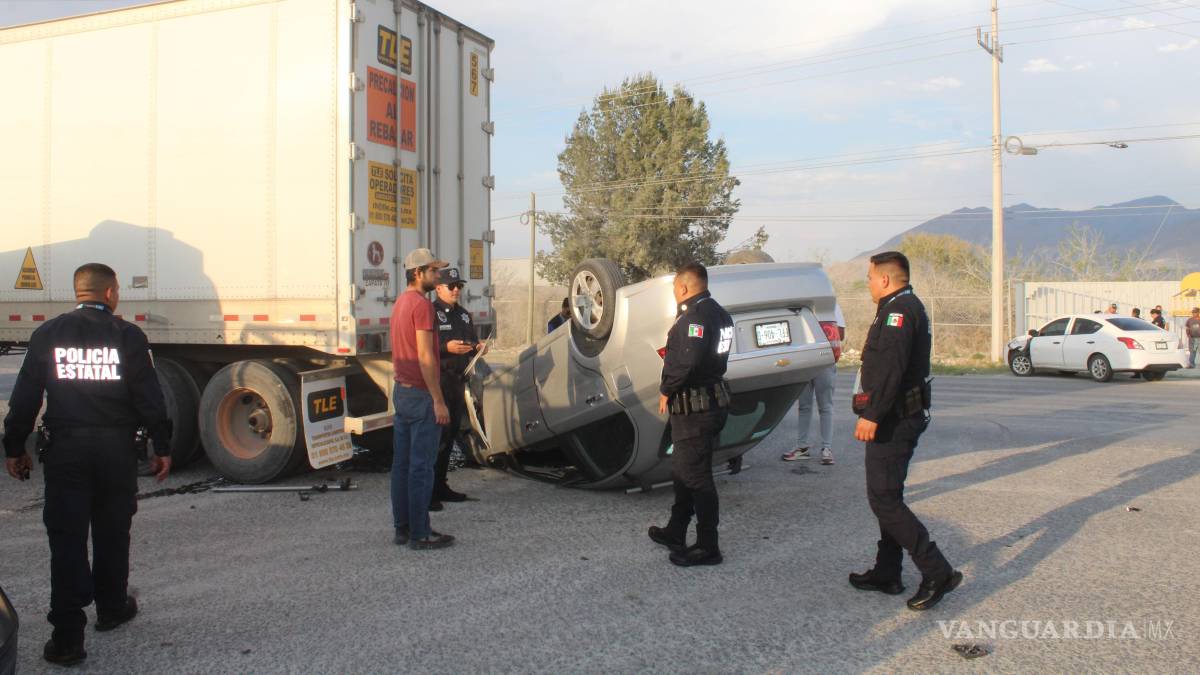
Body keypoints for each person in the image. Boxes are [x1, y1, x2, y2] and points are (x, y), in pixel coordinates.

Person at [3, 263, 172, 666]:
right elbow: (150, 398)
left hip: (66, 453)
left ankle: (67, 640)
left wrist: (14, 447)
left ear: (77, 291)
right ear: (111, 294)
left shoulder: (48, 334)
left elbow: (25, 398)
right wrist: (162, 446)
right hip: (116, 453)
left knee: (66, 539)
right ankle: (112, 607)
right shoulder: (128, 336)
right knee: (114, 530)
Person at [849, 251, 961, 611]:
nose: (867, 284)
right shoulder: (898, 306)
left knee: (884, 499)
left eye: (869, 278)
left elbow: (891, 372)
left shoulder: (899, 312)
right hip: (896, 415)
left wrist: (873, 415)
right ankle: (887, 572)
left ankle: (937, 570)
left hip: (894, 419)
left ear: (884, 279)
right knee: (888, 496)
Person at [647, 262, 734, 567]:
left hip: (696, 410)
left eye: (674, 289)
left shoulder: (694, 317)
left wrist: (666, 388)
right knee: (684, 470)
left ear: (683, 288)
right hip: (709, 404)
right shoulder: (721, 313)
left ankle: (708, 545)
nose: (674, 293)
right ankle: (676, 529)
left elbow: (689, 360)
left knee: (696, 476)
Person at [390, 248, 454, 550]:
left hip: (401, 392)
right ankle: (420, 533)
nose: (438, 275)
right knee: (421, 467)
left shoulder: (400, 303)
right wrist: (438, 400)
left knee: (402, 466)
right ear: (418, 273)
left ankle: (402, 527)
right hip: (420, 394)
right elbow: (427, 357)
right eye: (432, 270)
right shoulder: (422, 306)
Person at [432, 267, 484, 506]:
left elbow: (470, 341)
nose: (456, 290)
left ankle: (441, 485)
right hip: (439, 380)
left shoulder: (463, 315)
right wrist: (445, 348)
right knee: (436, 437)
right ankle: (429, 490)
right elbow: (423, 348)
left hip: (458, 382)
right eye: (451, 286)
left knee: (450, 435)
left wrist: (478, 346)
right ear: (438, 287)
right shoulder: (431, 312)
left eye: (459, 286)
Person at [783, 304, 844, 465]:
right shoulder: (798, 306)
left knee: (825, 405)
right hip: (803, 360)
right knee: (804, 405)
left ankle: (827, 448)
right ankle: (802, 447)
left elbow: (841, 333)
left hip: (824, 360)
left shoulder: (832, 306)